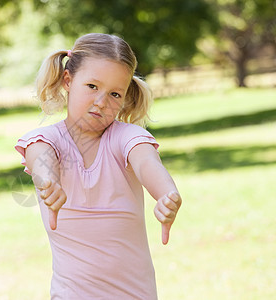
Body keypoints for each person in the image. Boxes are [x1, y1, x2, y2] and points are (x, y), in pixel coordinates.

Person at [15, 33, 182, 299]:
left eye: (115, 93)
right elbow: (41, 160)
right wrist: (49, 183)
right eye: (92, 86)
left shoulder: (126, 137)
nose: (101, 102)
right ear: (68, 80)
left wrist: (166, 193)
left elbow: (147, 162)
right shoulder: (47, 140)